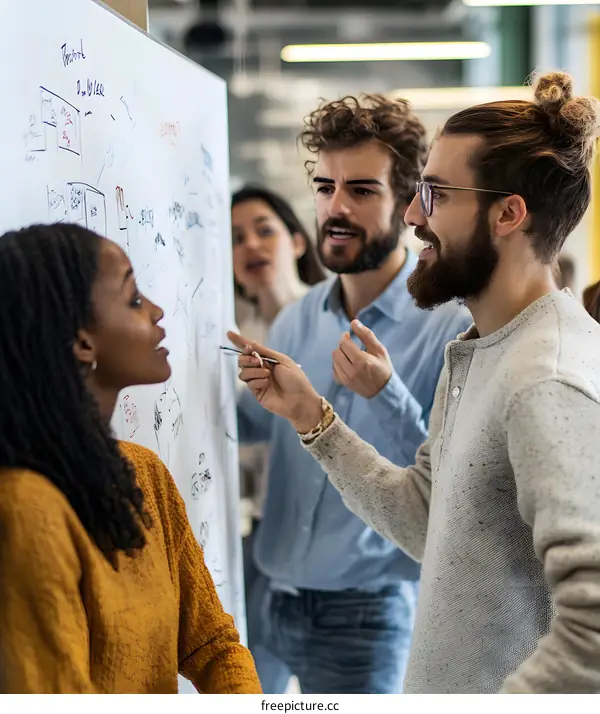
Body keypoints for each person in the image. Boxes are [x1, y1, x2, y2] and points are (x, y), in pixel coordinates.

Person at [229, 71, 600, 694]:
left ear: (508, 214)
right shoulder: (479, 350)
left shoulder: (545, 378)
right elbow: (429, 518)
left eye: (434, 194)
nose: (411, 215)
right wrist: (314, 422)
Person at [235, 95, 471, 694]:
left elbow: (450, 482)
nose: (335, 208)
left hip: (363, 619)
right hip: (263, 597)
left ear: (410, 202)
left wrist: (386, 393)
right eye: (324, 186)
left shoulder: (449, 328)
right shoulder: (294, 323)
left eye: (362, 190)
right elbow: (264, 432)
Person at [0, 223, 262, 694]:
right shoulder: (25, 509)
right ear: (82, 341)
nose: (158, 311)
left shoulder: (143, 473)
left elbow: (214, 644)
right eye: (134, 299)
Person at [231, 185, 325, 570]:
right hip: (262, 539)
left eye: (264, 230)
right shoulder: (229, 338)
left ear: (298, 242)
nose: (251, 244)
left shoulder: (334, 320)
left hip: (329, 546)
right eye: (236, 239)